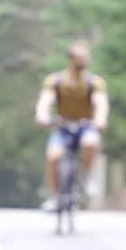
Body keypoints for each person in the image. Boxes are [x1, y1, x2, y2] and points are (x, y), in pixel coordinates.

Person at [34, 42, 109, 210]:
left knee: (90, 142)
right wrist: (41, 115)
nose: (83, 64)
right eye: (80, 60)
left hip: (86, 125)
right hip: (63, 125)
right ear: (71, 60)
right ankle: (54, 197)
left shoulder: (95, 82)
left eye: (85, 59)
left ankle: (87, 176)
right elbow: (45, 100)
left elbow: (100, 103)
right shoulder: (55, 80)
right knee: (53, 156)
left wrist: (101, 118)